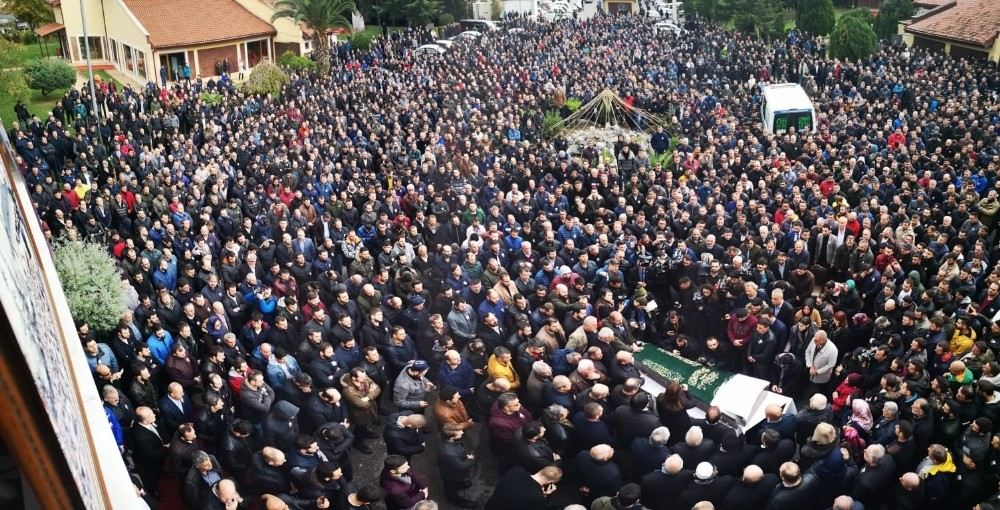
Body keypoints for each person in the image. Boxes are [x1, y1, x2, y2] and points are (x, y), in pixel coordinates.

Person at [436, 424, 478, 508]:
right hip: (451, 474)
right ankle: (454, 500)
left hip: (450, 465)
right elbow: (460, 466)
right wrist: (470, 460)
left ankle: (459, 484)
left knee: (455, 483)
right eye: (459, 432)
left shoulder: (441, 436)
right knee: (451, 487)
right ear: (451, 437)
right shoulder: (449, 453)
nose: (462, 432)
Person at [486, 465, 561, 510]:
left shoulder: (516, 470)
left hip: (492, 506)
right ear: (550, 482)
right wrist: (545, 495)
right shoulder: (538, 498)